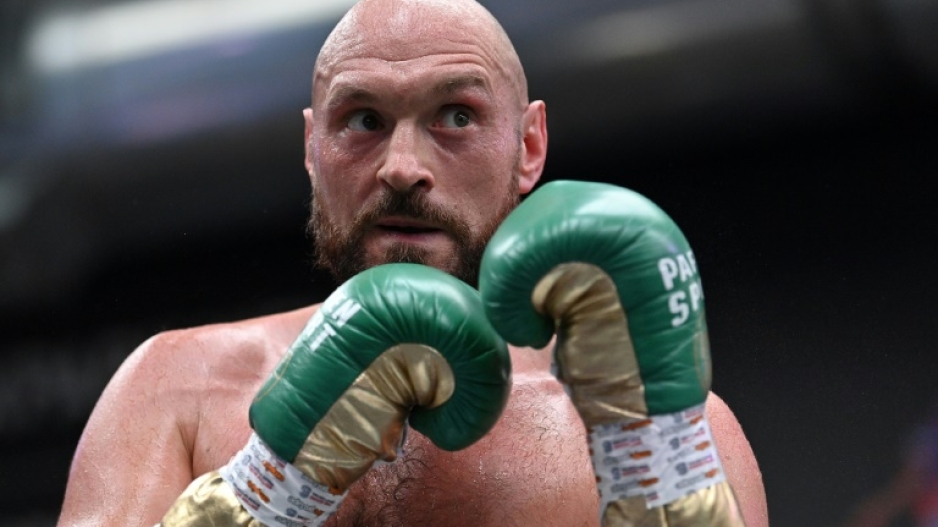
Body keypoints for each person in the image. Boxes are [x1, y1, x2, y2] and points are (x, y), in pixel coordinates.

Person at [55, 1, 769, 526]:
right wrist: (269, 486)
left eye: (455, 116)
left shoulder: (654, 429)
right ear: (312, 150)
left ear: (528, 147)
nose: (402, 167)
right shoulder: (176, 390)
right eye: (363, 120)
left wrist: (654, 463)